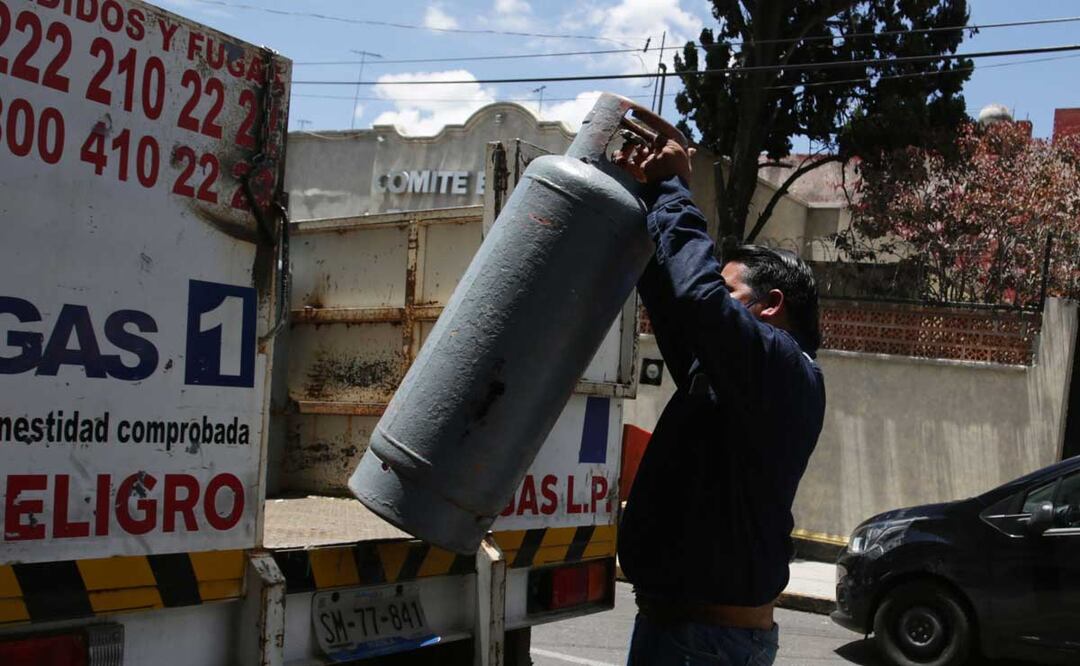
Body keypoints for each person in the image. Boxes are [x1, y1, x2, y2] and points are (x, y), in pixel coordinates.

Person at [614, 136, 826, 666]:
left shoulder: (782, 368)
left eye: (731, 291)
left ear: (772, 306)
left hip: (703, 644)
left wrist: (675, 190)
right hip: (690, 633)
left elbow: (698, 298)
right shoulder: (740, 376)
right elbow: (678, 304)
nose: (717, 297)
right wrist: (645, 203)